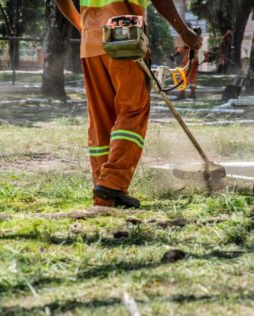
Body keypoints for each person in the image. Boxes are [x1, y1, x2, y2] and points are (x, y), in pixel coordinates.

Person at [55, 0, 202, 208]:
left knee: (101, 120)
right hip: (123, 40)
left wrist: (83, 26)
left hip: (90, 44)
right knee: (133, 110)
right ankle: (112, 184)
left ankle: (103, 190)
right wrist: (184, 31)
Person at [169, 24, 201, 100]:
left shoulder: (189, 39)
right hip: (195, 60)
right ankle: (193, 94)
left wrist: (173, 55)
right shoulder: (199, 39)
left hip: (188, 60)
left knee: (183, 76)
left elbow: (181, 49)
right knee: (193, 77)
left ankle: (182, 94)